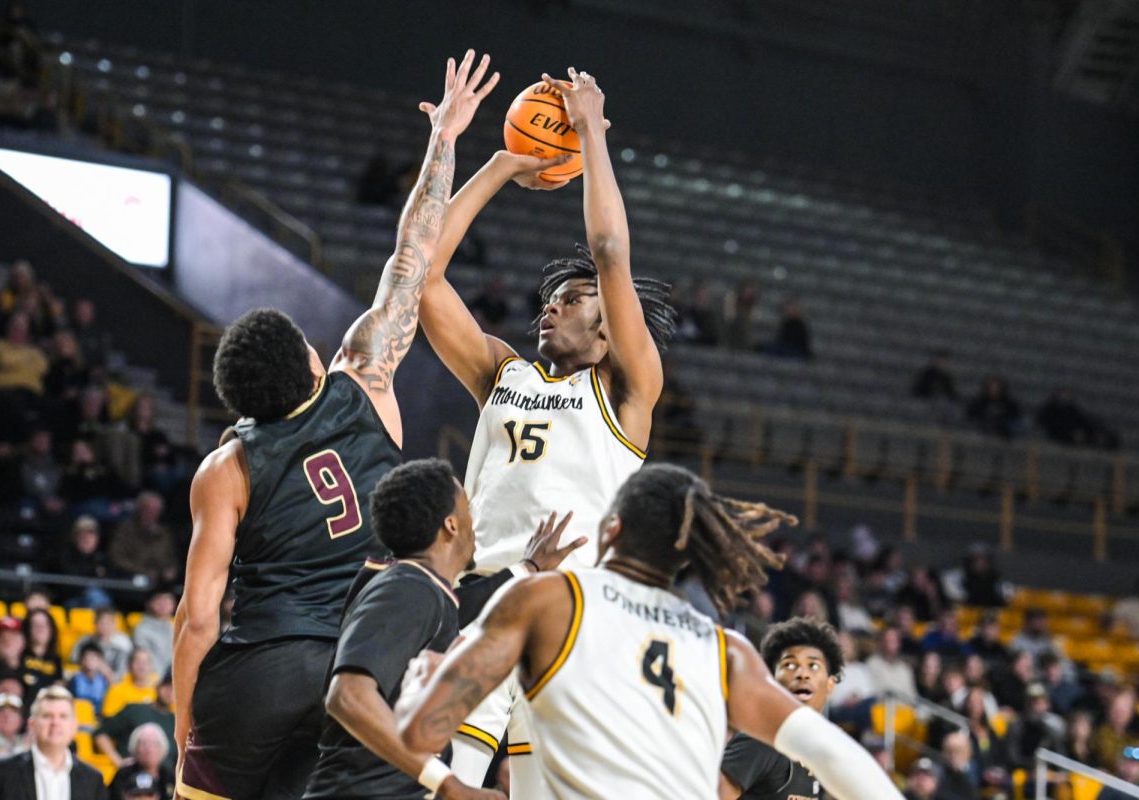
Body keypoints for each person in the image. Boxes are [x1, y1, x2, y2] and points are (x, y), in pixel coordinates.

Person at [174, 50, 498, 800]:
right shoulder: (367, 379)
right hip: (361, 659)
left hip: (257, 669)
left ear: (241, 400)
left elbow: (197, 618)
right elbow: (410, 258)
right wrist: (444, 136)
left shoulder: (226, 468)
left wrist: (189, 726)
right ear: (314, 364)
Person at [417, 66, 675, 794]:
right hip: (477, 596)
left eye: (570, 300)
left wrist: (590, 130)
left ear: (608, 333)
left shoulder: (627, 391)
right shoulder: (506, 374)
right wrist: (499, 164)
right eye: (550, 300)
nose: (549, 309)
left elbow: (611, 253)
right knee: (441, 778)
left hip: (573, 614)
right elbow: (424, 279)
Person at [398, 464, 901, 800]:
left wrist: (423, 678)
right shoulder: (728, 650)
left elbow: (421, 732)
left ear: (610, 529)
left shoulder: (549, 598)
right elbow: (834, 753)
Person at [303, 459, 501, 799]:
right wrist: (449, 784)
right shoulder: (408, 589)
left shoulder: (422, 589)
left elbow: (472, 604)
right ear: (451, 525)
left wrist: (530, 568)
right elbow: (347, 695)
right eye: (468, 508)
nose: (475, 522)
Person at [719, 617, 844, 799]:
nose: (802, 675)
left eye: (813, 666)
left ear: (830, 684)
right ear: (772, 680)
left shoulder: (821, 745)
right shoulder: (761, 740)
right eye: (790, 665)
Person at [0, 685, 108, 800]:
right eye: (47, 716)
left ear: (74, 726)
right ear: (32, 725)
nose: (55, 723)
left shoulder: (93, 779)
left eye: (63, 716)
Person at [94, 672, 175, 773]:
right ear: (158, 687)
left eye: (175, 689)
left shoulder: (177, 722)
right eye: (167, 686)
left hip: (164, 780)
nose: (170, 692)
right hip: (131, 775)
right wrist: (118, 762)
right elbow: (101, 734)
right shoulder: (134, 710)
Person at [108, 492, 178, 584]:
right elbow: (116, 557)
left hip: (161, 581)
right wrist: (143, 571)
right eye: (148, 509)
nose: (152, 514)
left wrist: (171, 569)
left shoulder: (164, 534)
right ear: (140, 510)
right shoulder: (125, 531)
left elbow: (172, 559)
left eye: (156, 510)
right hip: (131, 578)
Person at [108, 723, 174, 800]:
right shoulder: (123, 774)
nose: (149, 749)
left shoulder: (169, 776)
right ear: (134, 748)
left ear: (163, 749)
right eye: (143, 744)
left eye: (155, 744)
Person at [72, 608, 132, 681]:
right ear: (95, 624)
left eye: (109, 623)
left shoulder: (123, 644)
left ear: (115, 625)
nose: (105, 627)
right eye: (101, 623)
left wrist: (107, 673)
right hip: (86, 679)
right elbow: (73, 661)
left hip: (114, 683)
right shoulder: (85, 641)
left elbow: (124, 672)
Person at [131, 590, 175, 679]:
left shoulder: (180, 625)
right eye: (159, 600)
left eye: (167, 600)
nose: (163, 604)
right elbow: (144, 659)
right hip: (154, 680)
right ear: (149, 604)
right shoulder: (141, 629)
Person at [102, 649, 157, 718]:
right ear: (129, 665)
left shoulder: (159, 690)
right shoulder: (116, 690)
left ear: (151, 666)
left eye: (145, 662)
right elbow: (109, 719)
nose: (142, 666)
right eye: (138, 662)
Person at [69, 643, 110, 718]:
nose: (90, 661)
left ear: (100, 661)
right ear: (81, 660)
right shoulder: (74, 680)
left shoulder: (104, 680)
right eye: (86, 658)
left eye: (93, 658)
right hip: (78, 716)